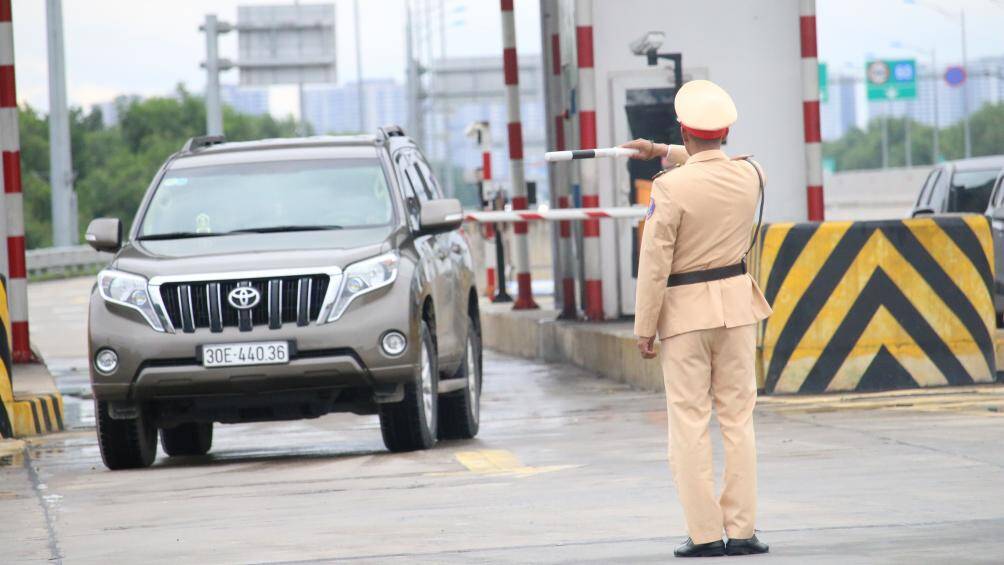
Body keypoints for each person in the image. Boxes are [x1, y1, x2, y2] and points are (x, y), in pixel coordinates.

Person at [623, 79, 772, 558]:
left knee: (688, 424)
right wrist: (662, 148)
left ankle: (705, 534)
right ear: (725, 130)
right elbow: (713, 163)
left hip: (683, 315)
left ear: (685, 131)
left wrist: (644, 327)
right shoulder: (752, 175)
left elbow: (654, 263)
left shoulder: (668, 188)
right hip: (736, 308)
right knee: (738, 421)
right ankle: (743, 531)